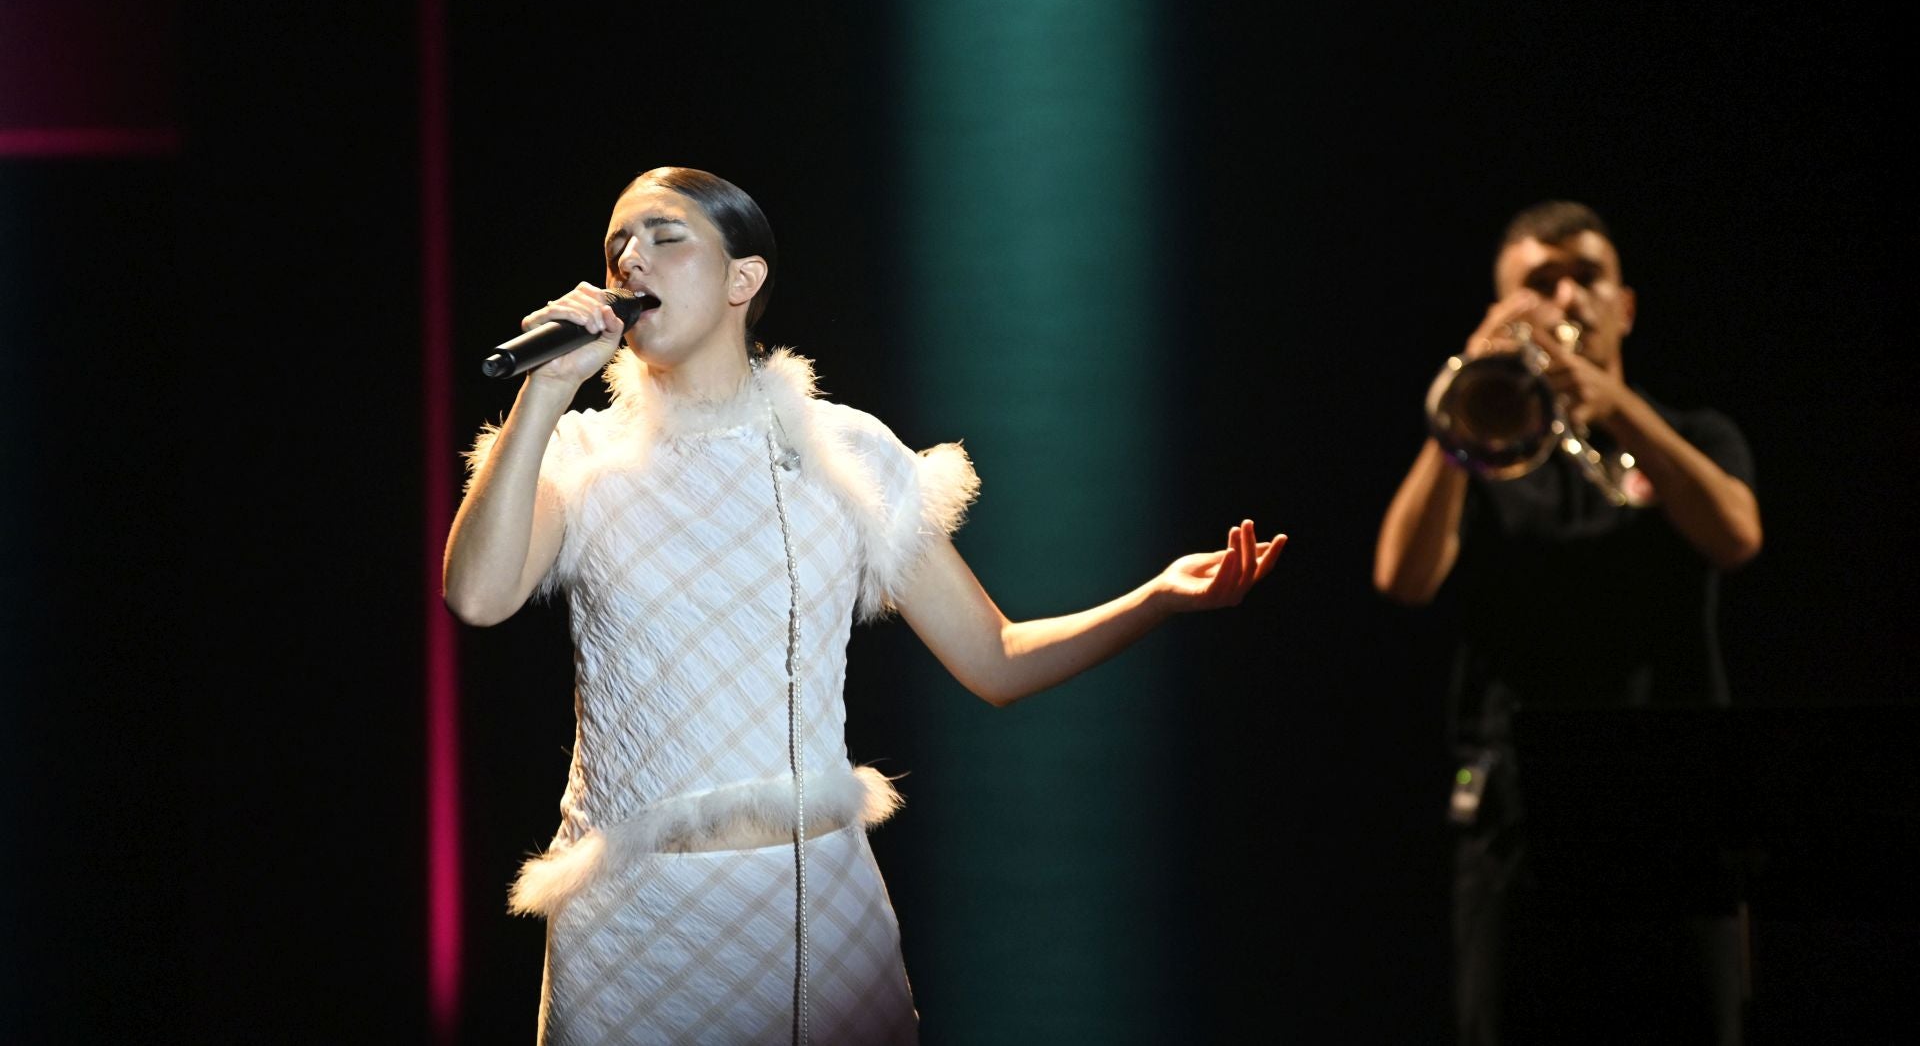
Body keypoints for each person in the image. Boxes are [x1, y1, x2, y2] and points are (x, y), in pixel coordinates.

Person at [443, 167, 1284, 1046]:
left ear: (744, 279)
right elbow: (476, 595)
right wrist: (543, 391)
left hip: (818, 917)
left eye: (664, 235)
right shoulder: (577, 451)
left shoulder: (844, 451)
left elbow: (994, 656)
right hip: (637, 933)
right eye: (617, 240)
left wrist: (1154, 599)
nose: (630, 257)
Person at [1373, 201, 1762, 1045]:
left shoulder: (1694, 436)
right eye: (1537, 284)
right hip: (1519, 819)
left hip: (1675, 817)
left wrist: (1613, 404)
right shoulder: (1487, 457)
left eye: (1585, 275)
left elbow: (1736, 536)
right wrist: (1463, 399)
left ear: (1623, 304)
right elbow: (1402, 576)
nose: (1564, 298)